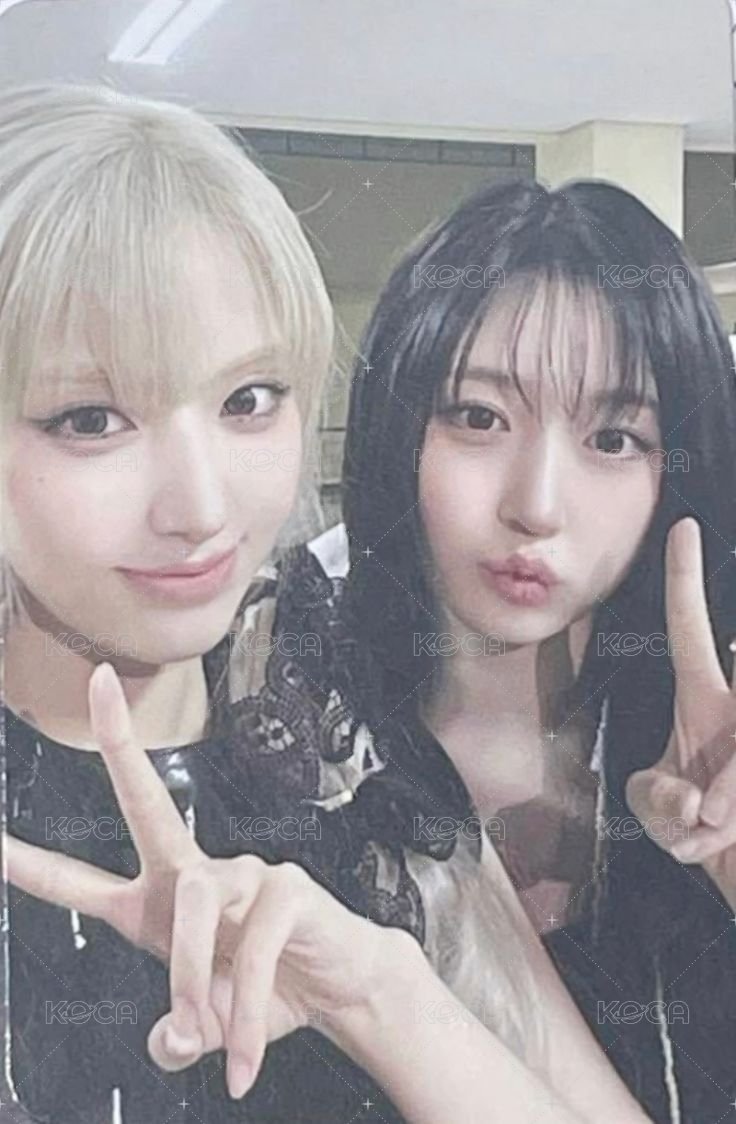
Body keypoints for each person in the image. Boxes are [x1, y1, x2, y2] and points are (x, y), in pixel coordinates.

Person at [0, 84, 651, 1124]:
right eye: (90, 418)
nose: (201, 508)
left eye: (248, 400)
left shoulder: (324, 698)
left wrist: (379, 996)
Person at [341, 178, 736, 1123]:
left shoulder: (704, 750)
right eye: (478, 417)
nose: (538, 505)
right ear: (399, 428)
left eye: (615, 438)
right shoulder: (296, 731)